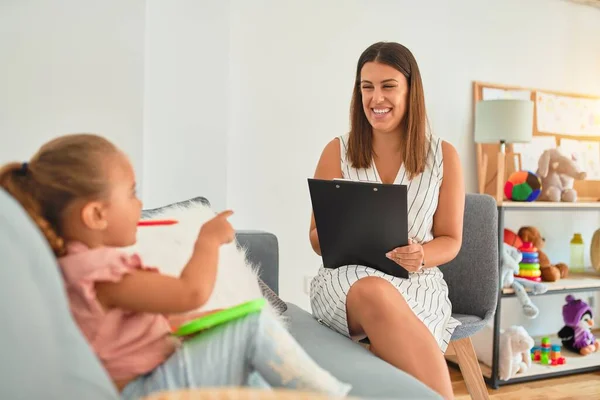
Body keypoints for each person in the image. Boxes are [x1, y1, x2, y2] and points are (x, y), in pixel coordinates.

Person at [0, 134, 351, 399]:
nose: (140, 203)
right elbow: (189, 293)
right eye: (132, 193)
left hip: (150, 377)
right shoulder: (99, 271)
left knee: (249, 365)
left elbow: (151, 323)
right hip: (146, 389)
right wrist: (207, 240)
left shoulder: (77, 266)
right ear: (95, 215)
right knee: (253, 325)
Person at [308, 42, 464, 399]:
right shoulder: (338, 150)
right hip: (346, 281)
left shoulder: (444, 156)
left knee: (392, 329)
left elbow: (450, 239)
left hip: (417, 281)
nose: (376, 98)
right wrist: (341, 236)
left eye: (388, 86)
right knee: (376, 292)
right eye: (367, 87)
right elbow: (315, 238)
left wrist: (421, 255)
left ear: (411, 90)